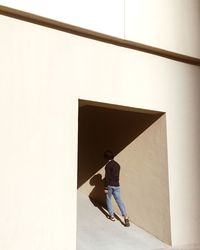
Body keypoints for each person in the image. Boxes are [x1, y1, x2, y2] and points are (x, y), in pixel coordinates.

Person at [104, 150, 130, 227]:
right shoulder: (117, 165)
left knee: (108, 199)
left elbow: (107, 177)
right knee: (119, 200)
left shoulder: (108, 165)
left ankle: (111, 216)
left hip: (110, 185)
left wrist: (105, 187)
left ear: (106, 158)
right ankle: (125, 216)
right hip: (117, 185)